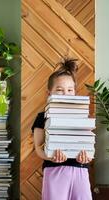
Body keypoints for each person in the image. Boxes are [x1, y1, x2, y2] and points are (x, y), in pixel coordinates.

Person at [31, 58, 93, 200]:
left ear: (75, 92)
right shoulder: (42, 117)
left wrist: (86, 157)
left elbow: (88, 145)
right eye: (59, 90)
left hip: (80, 170)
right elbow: (38, 148)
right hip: (54, 170)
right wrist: (51, 156)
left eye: (70, 90)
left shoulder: (82, 116)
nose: (65, 94)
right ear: (49, 94)